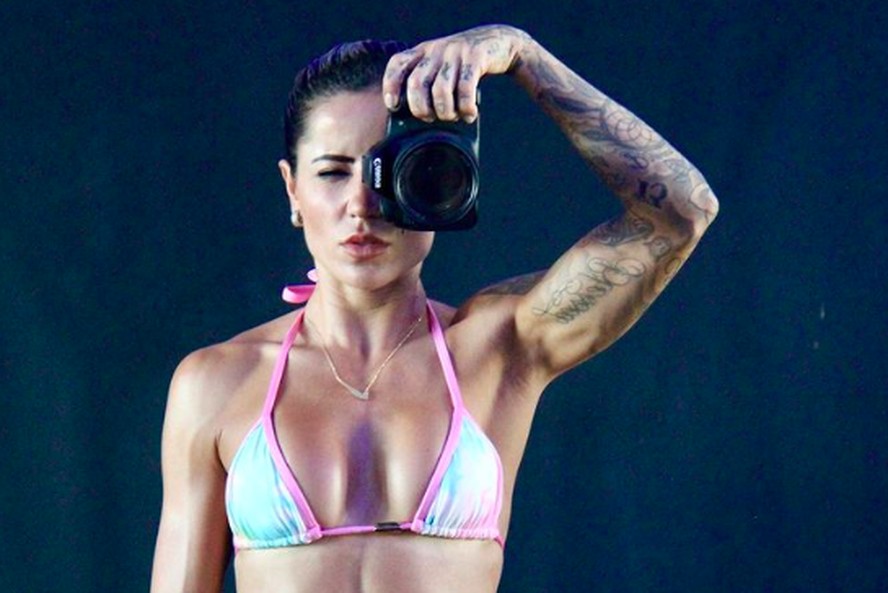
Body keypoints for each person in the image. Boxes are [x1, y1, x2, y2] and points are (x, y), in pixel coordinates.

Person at [150, 23, 719, 593]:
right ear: (292, 190)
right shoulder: (218, 383)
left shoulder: (500, 349)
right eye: (332, 172)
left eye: (389, 170)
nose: (361, 205)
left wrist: (519, 52)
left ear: (441, 181)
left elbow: (680, 213)